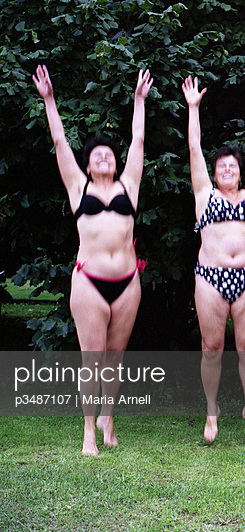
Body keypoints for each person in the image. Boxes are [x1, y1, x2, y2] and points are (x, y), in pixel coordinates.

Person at [33, 65, 153, 455]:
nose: (103, 157)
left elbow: (137, 141)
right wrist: (49, 100)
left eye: (108, 154)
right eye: (96, 155)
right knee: (93, 359)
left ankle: (108, 420)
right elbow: (59, 140)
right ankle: (88, 432)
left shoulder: (128, 185)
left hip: (127, 284)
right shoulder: (77, 185)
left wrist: (138, 100)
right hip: (89, 282)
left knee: (115, 358)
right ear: (87, 165)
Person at [182, 75, 245, 442]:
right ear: (215, 174)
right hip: (210, 278)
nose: (227, 169)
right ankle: (211, 412)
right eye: (222, 167)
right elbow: (194, 149)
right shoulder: (205, 194)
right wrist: (193, 108)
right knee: (211, 348)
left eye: (233, 165)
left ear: (240, 170)